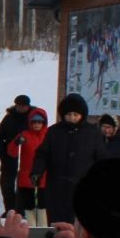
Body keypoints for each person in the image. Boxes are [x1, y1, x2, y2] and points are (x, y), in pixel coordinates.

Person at [36, 93, 100, 224]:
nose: (72, 118)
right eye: (68, 115)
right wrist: (37, 171)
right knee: (57, 222)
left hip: (83, 186)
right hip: (57, 186)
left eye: (75, 115)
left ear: (82, 115)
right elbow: (43, 154)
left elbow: (101, 156)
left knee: (81, 222)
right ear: (63, 114)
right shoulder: (53, 131)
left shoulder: (92, 133)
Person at [0, 95, 35, 215]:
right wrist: (1, 152)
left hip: (27, 157)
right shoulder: (9, 117)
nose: (21, 108)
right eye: (19, 105)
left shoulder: (33, 117)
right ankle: (10, 209)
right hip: (9, 156)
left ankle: (20, 210)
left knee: (23, 185)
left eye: (23, 106)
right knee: (7, 185)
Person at [14, 106, 50, 213]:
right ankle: (32, 228)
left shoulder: (49, 135)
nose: (37, 124)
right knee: (29, 208)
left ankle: (43, 229)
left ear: (44, 122)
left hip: (44, 177)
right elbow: (12, 152)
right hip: (26, 177)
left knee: (43, 208)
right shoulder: (24, 135)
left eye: (40, 122)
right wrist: (16, 143)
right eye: (34, 122)